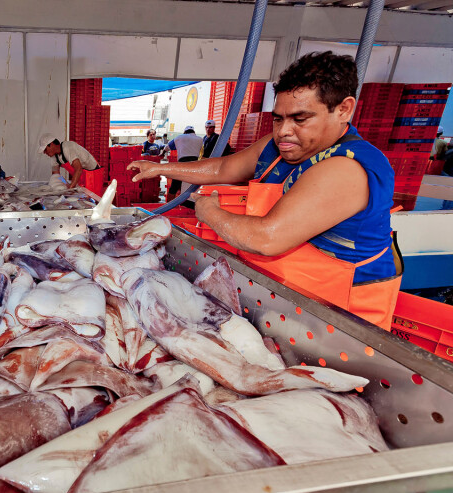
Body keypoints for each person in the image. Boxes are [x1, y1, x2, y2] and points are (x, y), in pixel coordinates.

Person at [129, 51, 402, 330]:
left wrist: (209, 211)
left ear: (343, 109)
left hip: (335, 326)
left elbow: (266, 238)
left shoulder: (346, 168)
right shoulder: (278, 148)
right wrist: (160, 169)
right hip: (278, 305)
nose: (284, 131)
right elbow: (223, 168)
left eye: (300, 118)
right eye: (278, 118)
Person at [163, 126, 203, 201]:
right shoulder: (200, 139)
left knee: (173, 188)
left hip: (182, 165)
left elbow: (167, 148)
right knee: (192, 187)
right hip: (195, 165)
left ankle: (168, 206)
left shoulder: (179, 137)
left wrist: (162, 153)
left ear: (185, 132)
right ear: (193, 132)